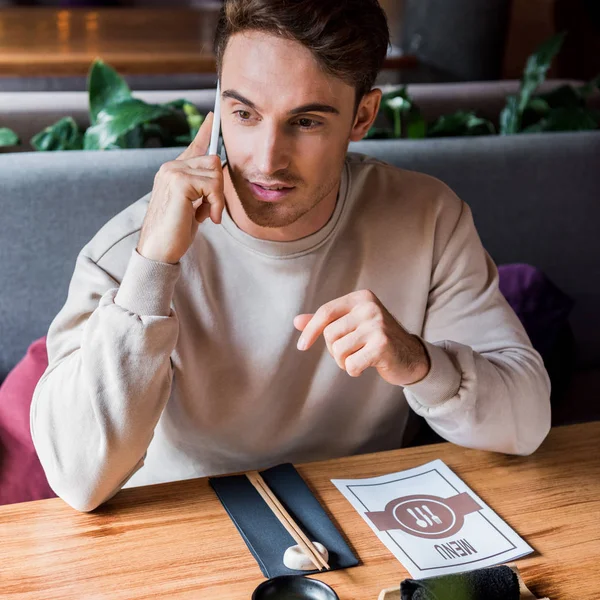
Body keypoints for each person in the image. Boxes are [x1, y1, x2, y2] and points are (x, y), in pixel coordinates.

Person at [31, 0, 551, 512]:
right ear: (219, 105)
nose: (266, 159)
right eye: (244, 114)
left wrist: (418, 362)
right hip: (185, 528)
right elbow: (78, 479)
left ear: (362, 116)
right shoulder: (130, 250)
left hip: (365, 524)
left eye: (305, 122)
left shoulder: (429, 218)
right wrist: (153, 268)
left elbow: (526, 423)